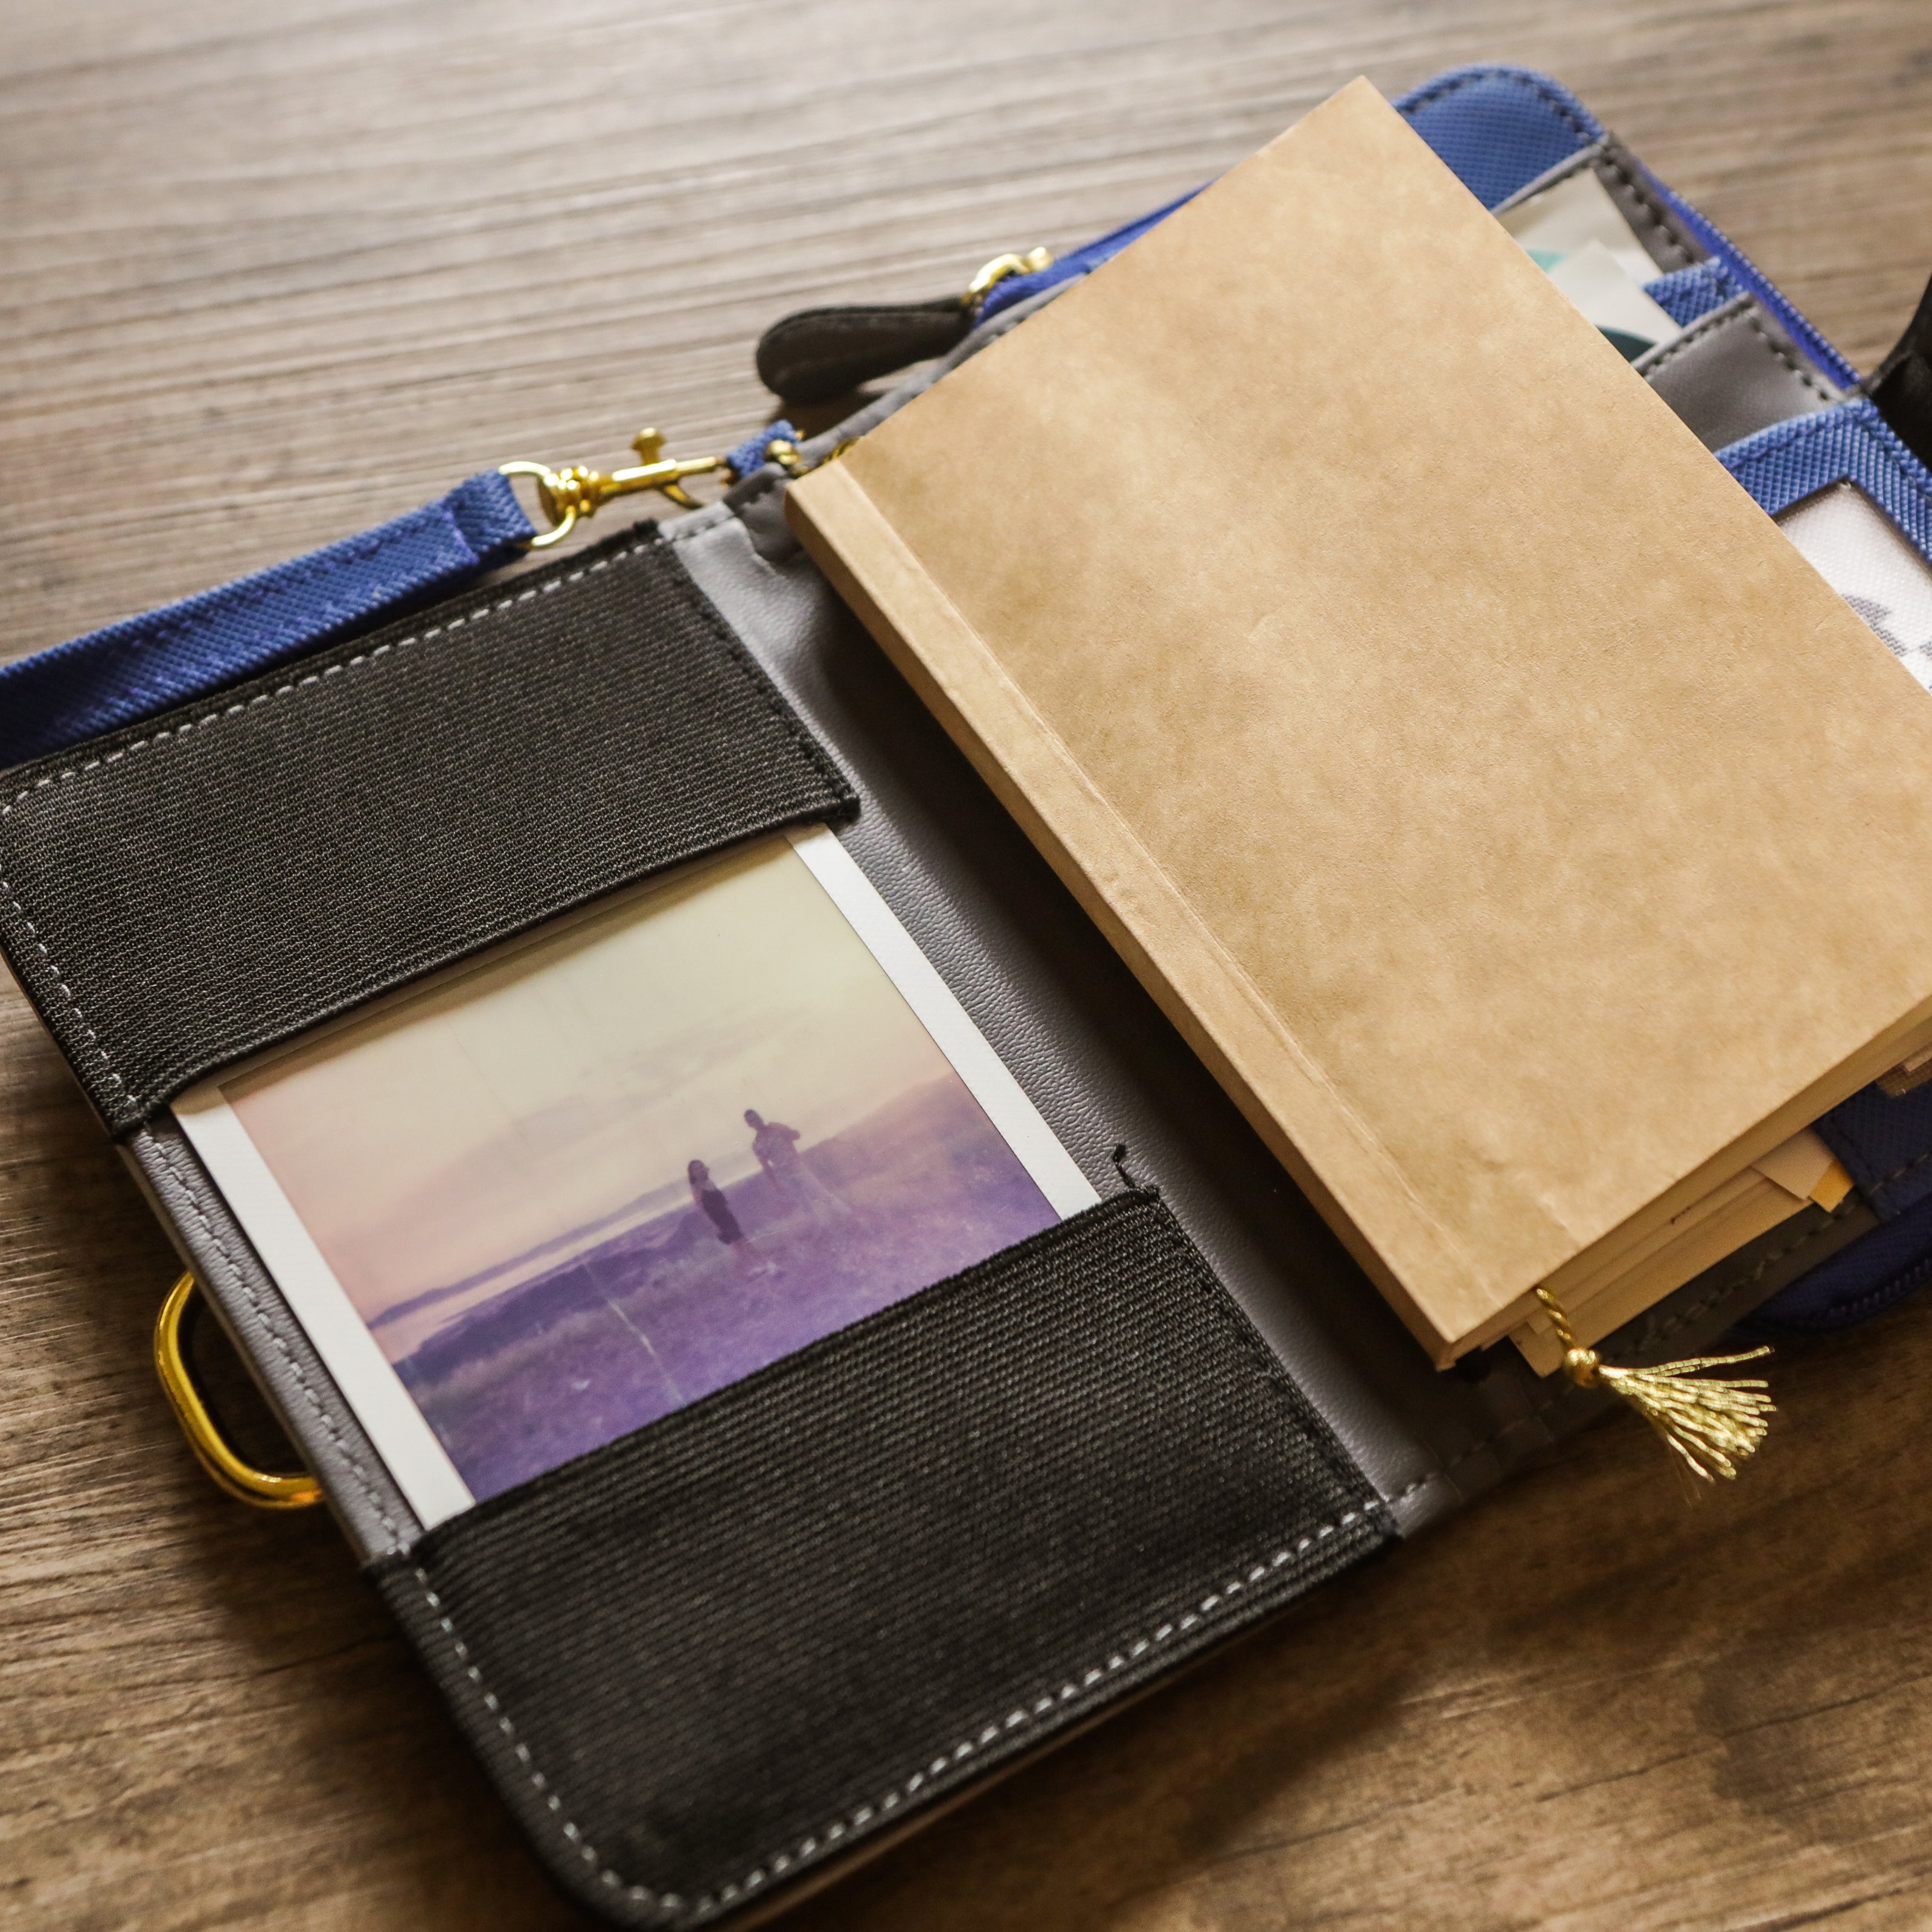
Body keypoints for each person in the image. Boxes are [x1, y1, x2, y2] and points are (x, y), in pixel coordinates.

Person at [746, 1108, 851, 1227]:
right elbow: (765, 1166)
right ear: (750, 1125)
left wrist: (789, 1134)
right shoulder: (757, 1144)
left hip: (796, 1166)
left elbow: (796, 1136)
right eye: (752, 1120)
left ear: (760, 1116)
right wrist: (775, 1183)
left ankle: (847, 1214)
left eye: (756, 1117)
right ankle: (820, 1227)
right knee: (804, 1204)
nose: (756, 1120)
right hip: (783, 1174)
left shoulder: (776, 1127)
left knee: (820, 1193)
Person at [687, 1159, 776, 1277]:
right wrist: (715, 1227)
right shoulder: (696, 1189)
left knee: (738, 1246)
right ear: (692, 1173)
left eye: (700, 1166)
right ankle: (766, 1264)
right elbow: (703, 1211)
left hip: (727, 1216)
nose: (699, 1170)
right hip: (719, 1221)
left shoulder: (709, 1181)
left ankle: (752, 1269)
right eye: (696, 1169)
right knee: (744, 1242)